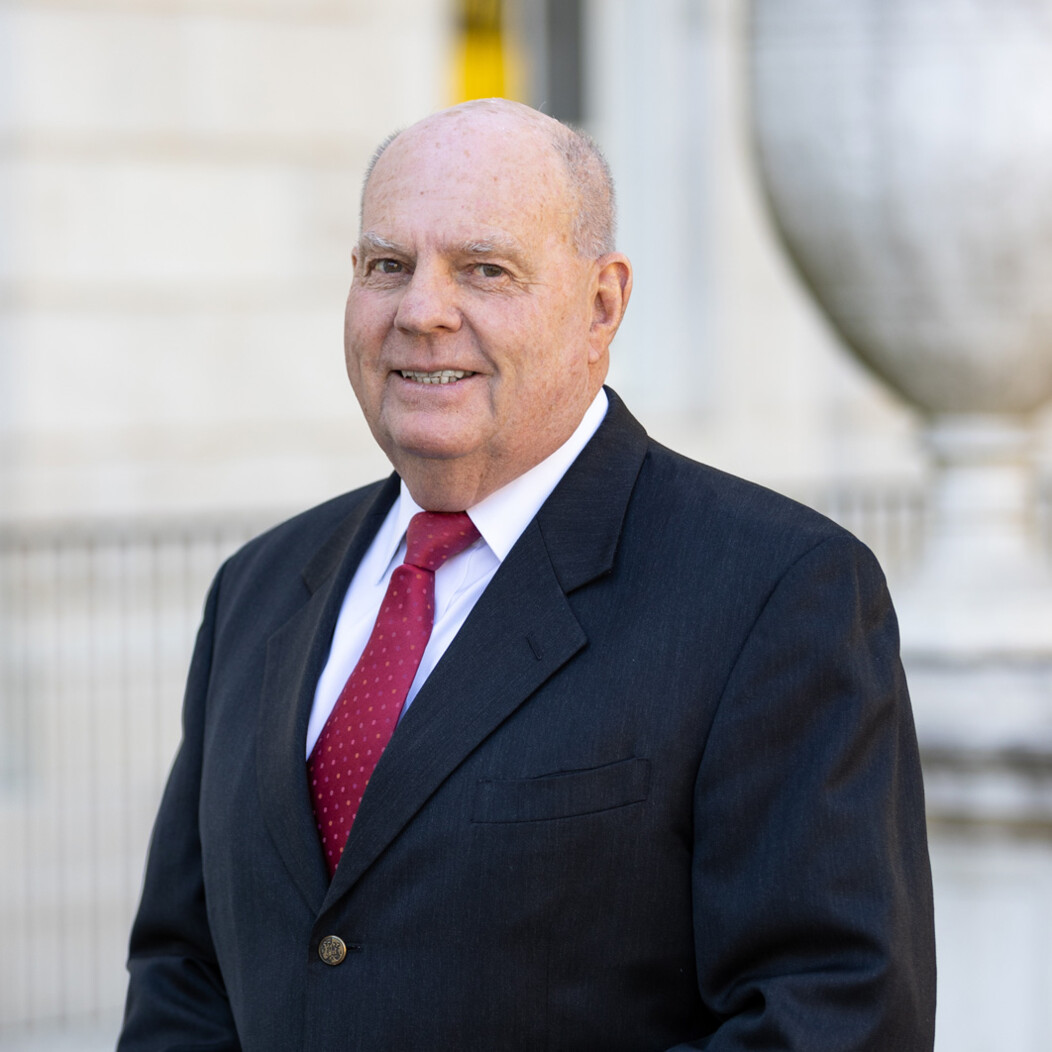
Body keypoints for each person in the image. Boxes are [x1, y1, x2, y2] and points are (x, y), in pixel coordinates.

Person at [118, 98, 936, 1051]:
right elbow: (184, 973)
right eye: (388, 266)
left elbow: (828, 1016)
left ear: (602, 305)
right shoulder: (257, 590)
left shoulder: (778, 592)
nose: (422, 311)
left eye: (485, 269)